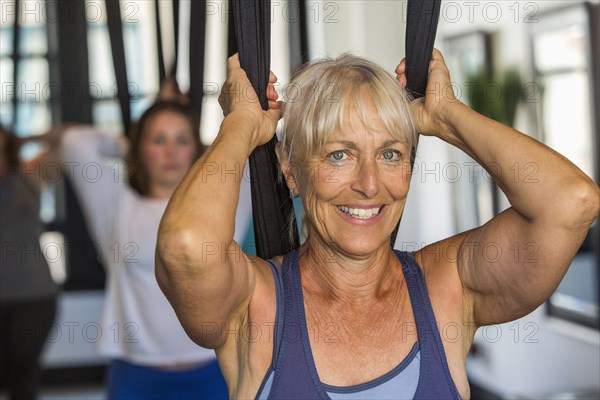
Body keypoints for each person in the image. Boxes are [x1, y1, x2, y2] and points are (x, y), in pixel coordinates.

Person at [155, 51, 599, 399]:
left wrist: (447, 117)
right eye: (339, 154)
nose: (370, 185)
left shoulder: (448, 285)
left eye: (390, 154)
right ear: (290, 169)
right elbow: (188, 245)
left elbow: (571, 202)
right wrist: (242, 126)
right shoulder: (254, 305)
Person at [59, 101, 228, 399]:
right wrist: (130, 147)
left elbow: (256, 142)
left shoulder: (224, 204)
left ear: (196, 148)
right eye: (158, 140)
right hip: (135, 375)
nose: (170, 151)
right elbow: (74, 142)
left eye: (182, 140)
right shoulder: (115, 205)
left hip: (213, 371)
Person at [0, 125, 60, 399]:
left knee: (23, 379)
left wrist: (23, 139)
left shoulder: (30, 174)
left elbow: (68, 139)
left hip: (34, 297)